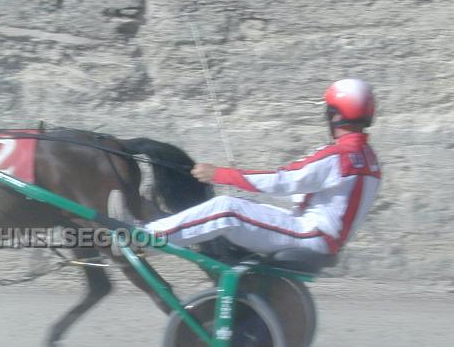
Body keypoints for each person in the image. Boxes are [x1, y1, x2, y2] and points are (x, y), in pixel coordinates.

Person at [143, 79, 381, 256]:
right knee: (241, 206)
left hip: (310, 235)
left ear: (335, 116)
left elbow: (284, 181)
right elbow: (313, 194)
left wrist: (221, 175)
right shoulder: (369, 159)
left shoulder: (338, 156)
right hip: (321, 237)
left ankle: (142, 239)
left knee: (227, 209)